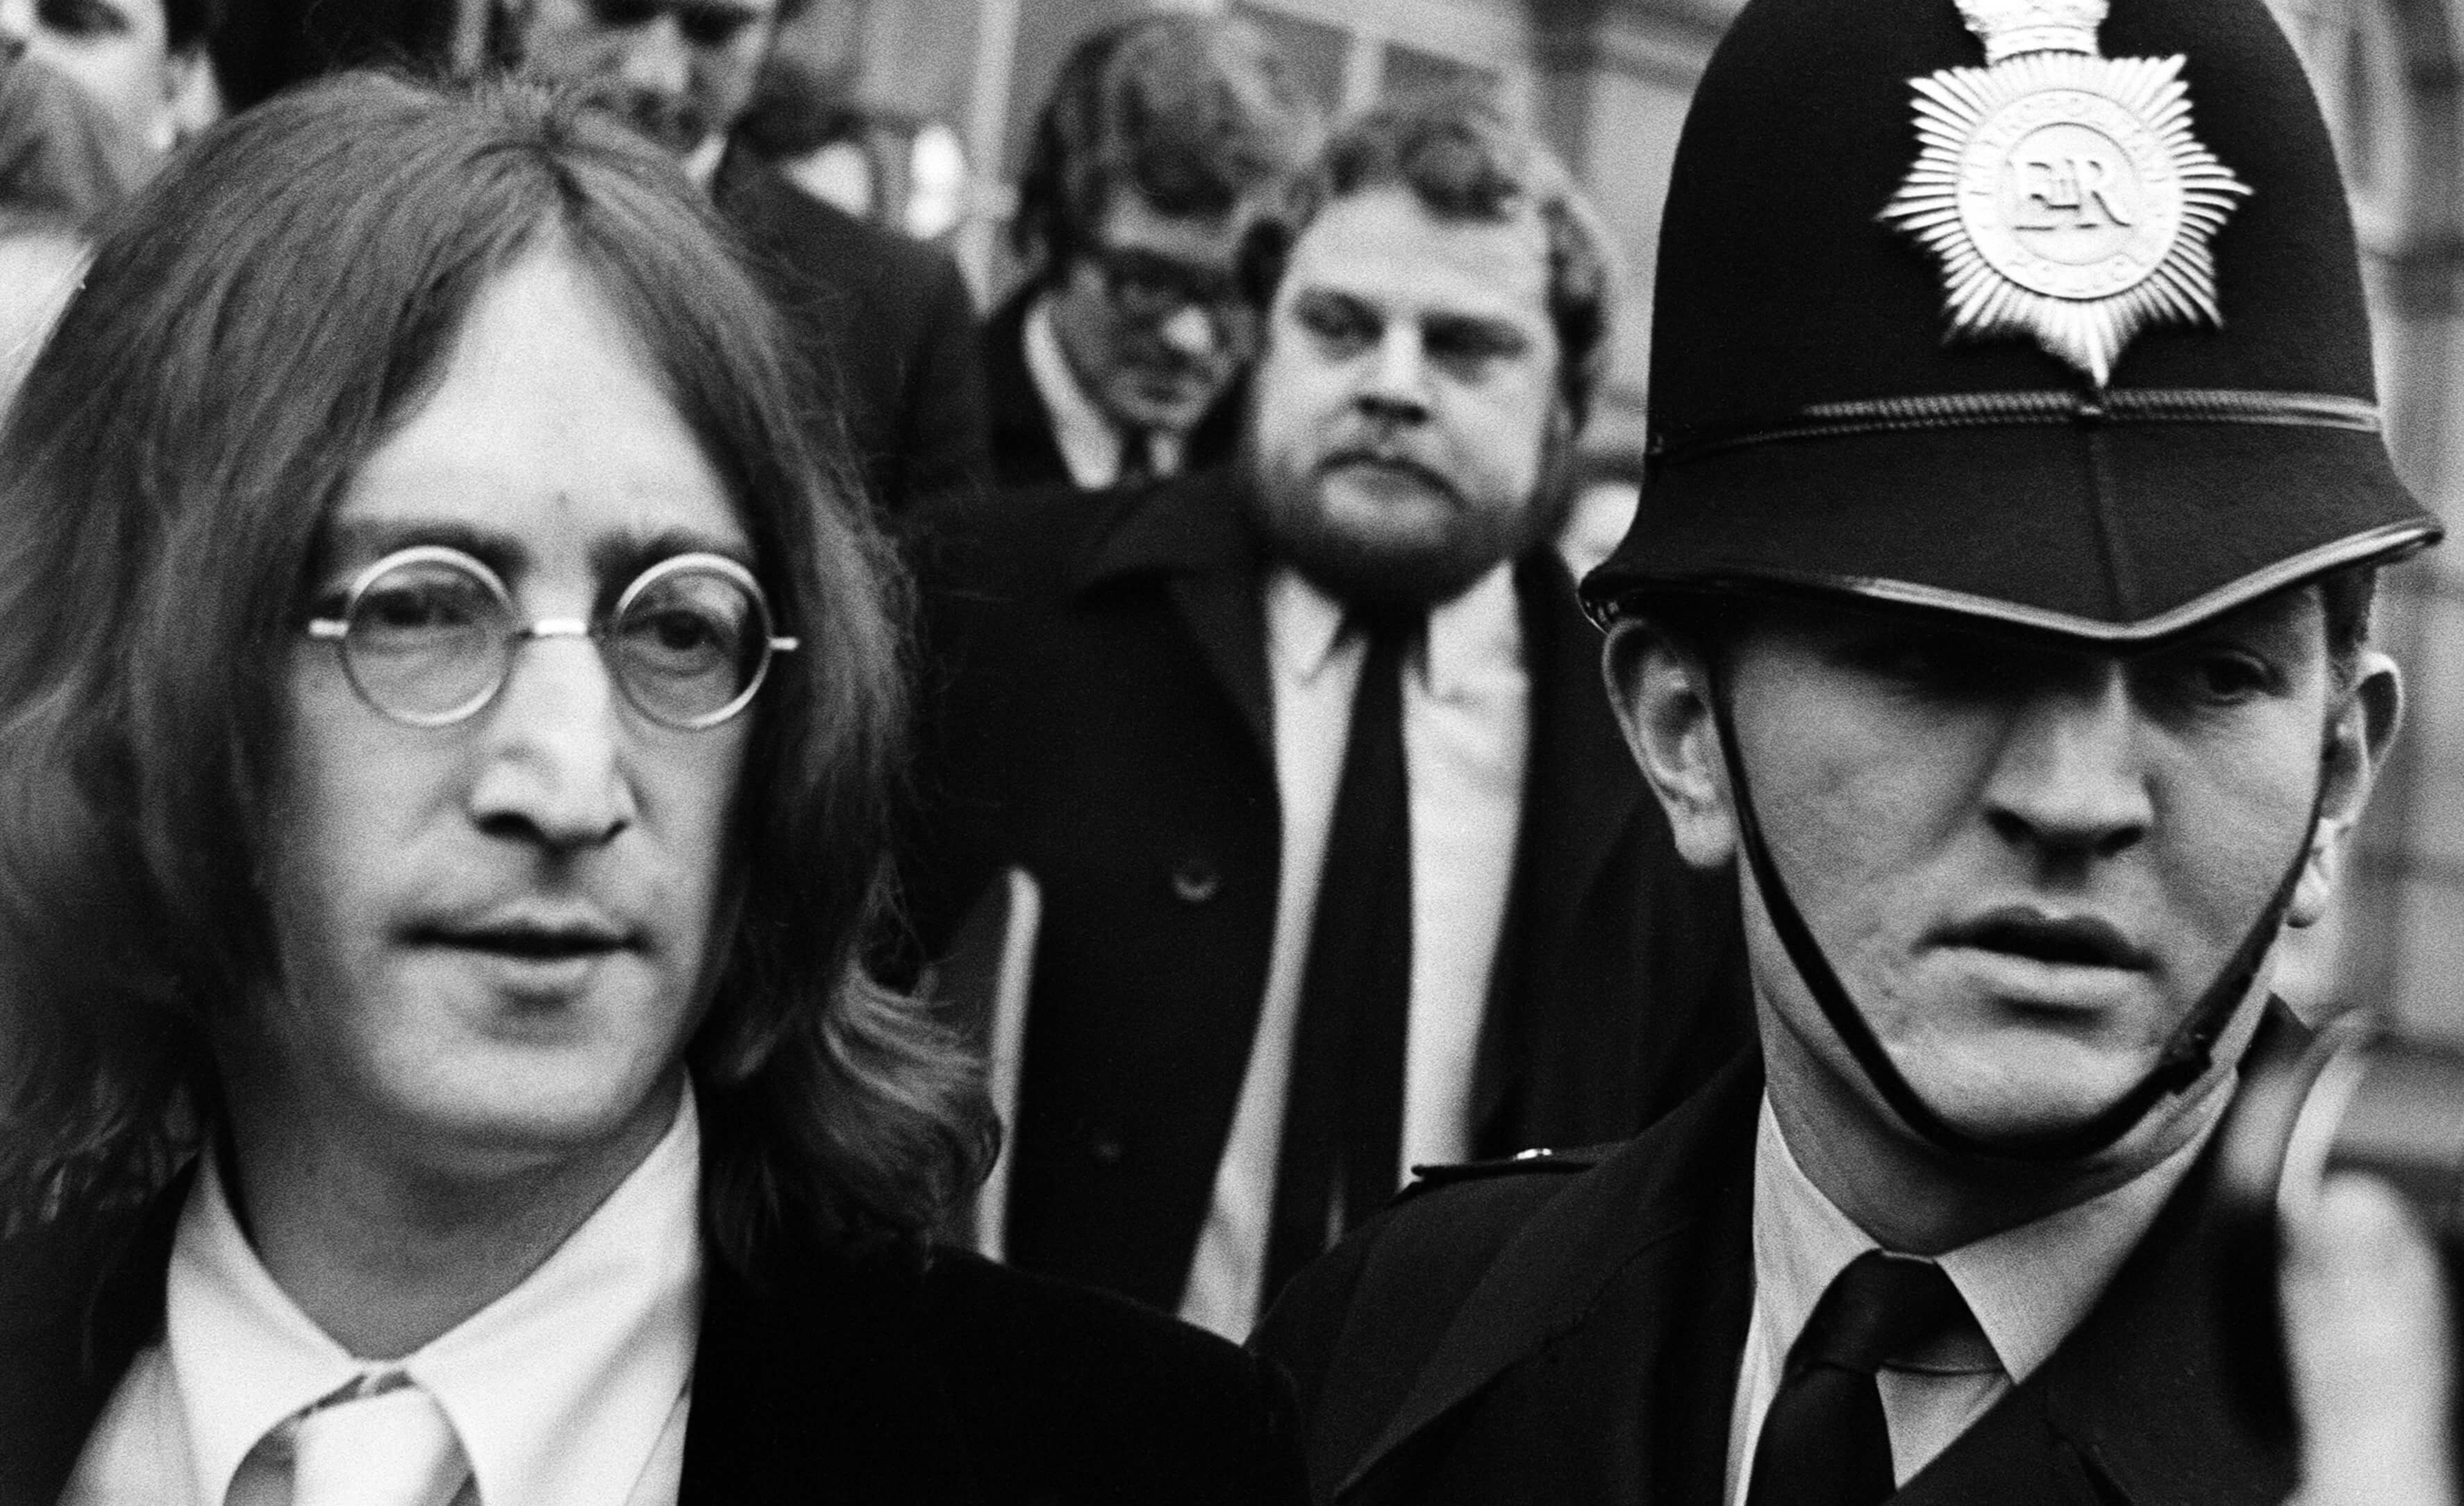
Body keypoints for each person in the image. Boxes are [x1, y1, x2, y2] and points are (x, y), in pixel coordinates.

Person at [0, 72, 1303, 1505]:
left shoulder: (1122, 1464)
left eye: (676, 627)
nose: (571, 782)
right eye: (421, 607)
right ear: (141, 674)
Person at [1250, 0, 2446, 1500]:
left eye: (2212, 674)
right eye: (1941, 659)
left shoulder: (2410, 1434)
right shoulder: (1391, 1351)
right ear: (1683, 730)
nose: (2074, 797)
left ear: (2340, 775)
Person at [904, 94, 1751, 1340]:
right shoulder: (994, 606)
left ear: (1566, 401)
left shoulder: (1662, 740)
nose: (1392, 388)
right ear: (1260, 343)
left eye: (1464, 346)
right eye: (1341, 327)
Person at [493, 0, 988, 515]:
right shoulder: (405, 207)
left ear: (774, 32)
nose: (656, 74)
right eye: (618, 10)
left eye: (714, 29)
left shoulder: (895, 304)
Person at [985, 14, 1318, 493]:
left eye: (1236, 290)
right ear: (1044, 238)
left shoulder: (1280, 460)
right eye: (1147, 283)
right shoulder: (931, 432)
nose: (1192, 339)